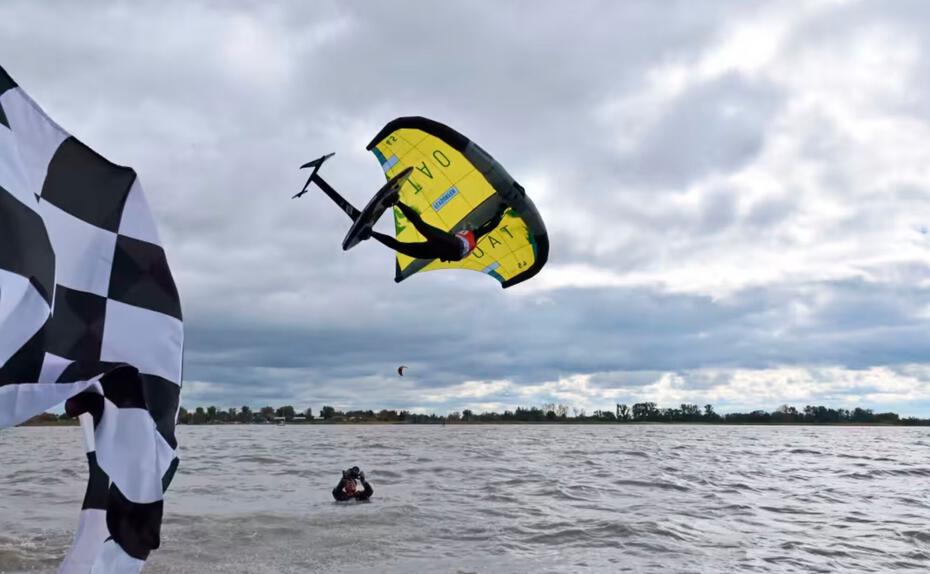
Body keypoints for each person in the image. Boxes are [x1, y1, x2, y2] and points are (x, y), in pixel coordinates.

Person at [363, 198, 507, 262]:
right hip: (440, 249)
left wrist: (501, 210)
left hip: (455, 248)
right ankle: (371, 232)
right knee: (402, 246)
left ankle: (396, 202)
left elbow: (490, 226)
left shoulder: (473, 235)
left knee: (421, 227)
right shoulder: (455, 235)